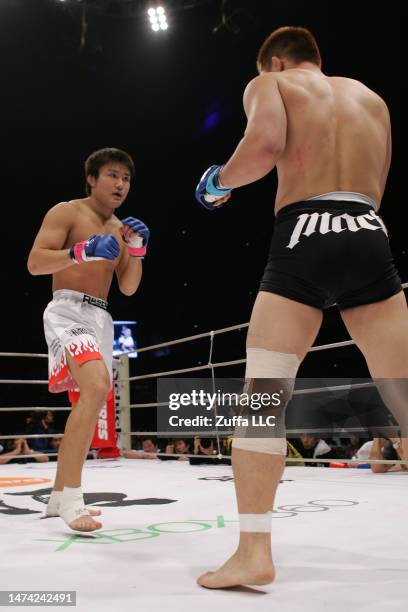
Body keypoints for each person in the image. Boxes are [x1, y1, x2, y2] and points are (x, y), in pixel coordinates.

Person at [194, 26, 408, 588]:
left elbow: (264, 146)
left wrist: (218, 182)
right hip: (368, 228)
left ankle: (253, 552)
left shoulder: (273, 83)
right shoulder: (372, 98)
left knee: (263, 395)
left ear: (278, 61)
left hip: (303, 233)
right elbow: (377, 184)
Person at [27, 147, 150, 532]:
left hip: (101, 317)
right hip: (67, 309)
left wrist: (138, 250)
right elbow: (35, 262)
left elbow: (128, 287)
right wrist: (80, 252)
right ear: (92, 179)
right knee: (96, 386)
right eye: (113, 175)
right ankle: (72, 500)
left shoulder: (120, 228)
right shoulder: (67, 211)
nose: (121, 184)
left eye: (127, 178)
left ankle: (58, 495)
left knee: (92, 397)